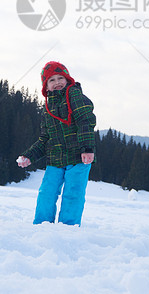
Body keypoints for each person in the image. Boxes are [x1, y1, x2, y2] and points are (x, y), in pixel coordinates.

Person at [16, 61, 96, 226]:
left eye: (61, 78)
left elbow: (85, 121)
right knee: (47, 192)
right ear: (46, 86)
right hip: (55, 160)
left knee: (73, 194)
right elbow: (45, 138)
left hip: (78, 158)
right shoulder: (47, 108)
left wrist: (87, 148)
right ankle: (41, 225)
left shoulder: (74, 95)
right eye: (51, 80)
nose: (57, 82)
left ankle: (68, 227)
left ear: (68, 79)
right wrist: (29, 155)